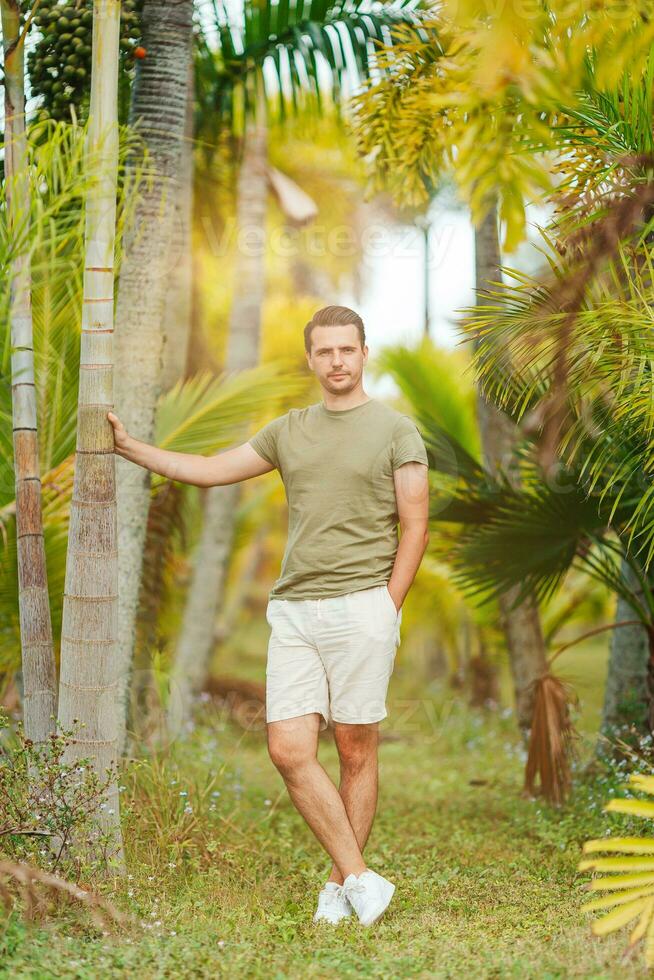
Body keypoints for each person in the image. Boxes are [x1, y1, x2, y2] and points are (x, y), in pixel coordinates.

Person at [108, 304, 430, 927]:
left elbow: (415, 524)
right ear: (310, 359)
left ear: (364, 354)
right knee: (287, 749)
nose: (336, 361)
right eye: (324, 351)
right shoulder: (289, 430)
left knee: (357, 749)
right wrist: (130, 448)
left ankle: (341, 889)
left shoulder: (396, 431)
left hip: (363, 605)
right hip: (294, 612)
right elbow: (208, 471)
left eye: (346, 349)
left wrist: (387, 606)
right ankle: (363, 878)